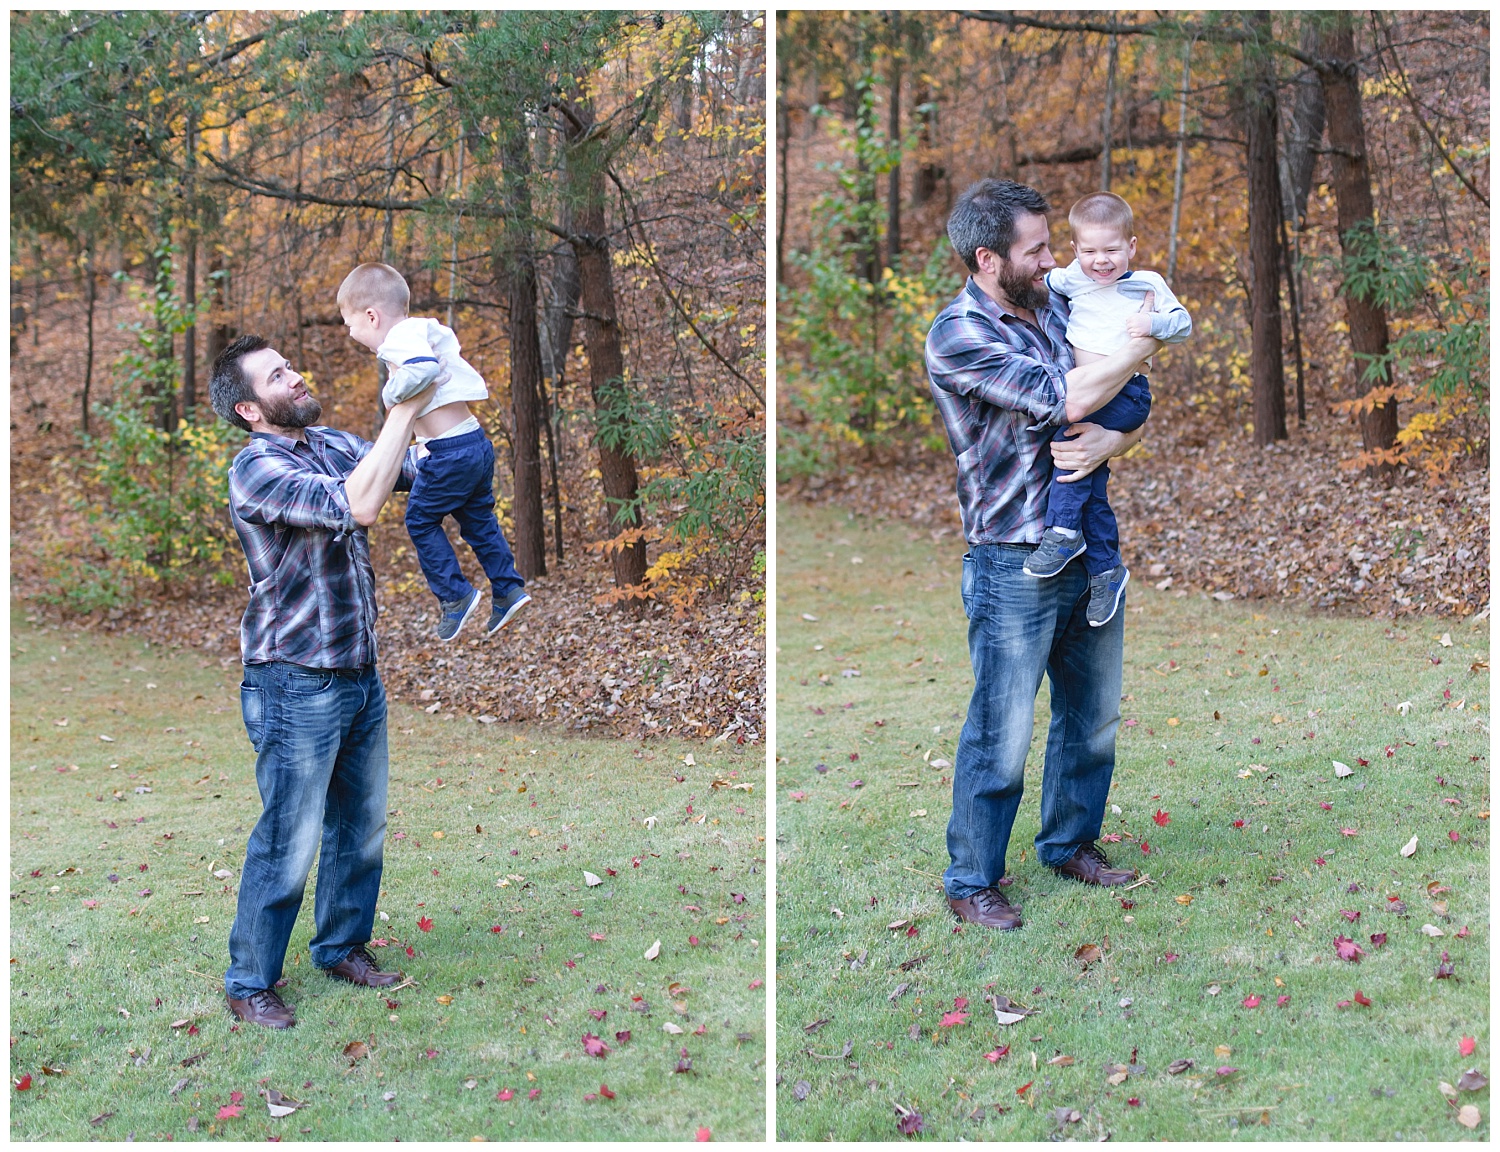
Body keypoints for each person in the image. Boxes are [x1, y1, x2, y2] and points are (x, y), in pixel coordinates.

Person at [925, 179, 1165, 931]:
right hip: (1010, 558)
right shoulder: (959, 334)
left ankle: (1070, 845)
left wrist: (1119, 436)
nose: (1053, 259)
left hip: (1087, 547)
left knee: (1092, 719)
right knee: (1003, 732)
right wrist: (1146, 338)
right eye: (1037, 249)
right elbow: (1068, 396)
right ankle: (971, 881)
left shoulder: (1060, 306)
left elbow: (1127, 401)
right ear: (989, 258)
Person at [209, 334, 429, 1028]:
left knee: (360, 826)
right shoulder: (256, 469)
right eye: (278, 375)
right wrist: (400, 410)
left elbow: (411, 470)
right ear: (249, 407)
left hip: (359, 673)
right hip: (293, 682)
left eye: (291, 365)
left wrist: (439, 405)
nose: (296, 375)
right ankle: (249, 984)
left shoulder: (331, 443)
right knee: (289, 836)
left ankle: (341, 947)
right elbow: (358, 505)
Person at [337, 262, 531, 642]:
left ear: (371, 316)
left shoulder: (400, 339)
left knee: (421, 521)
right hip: (472, 443)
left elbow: (423, 370)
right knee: (478, 522)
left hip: (450, 453)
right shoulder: (417, 331)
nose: (350, 332)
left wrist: (390, 395)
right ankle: (508, 589)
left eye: (350, 323)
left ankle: (456, 596)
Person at [1023, 191, 1192, 627]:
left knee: (1069, 441)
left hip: (1127, 395)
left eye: (1112, 250)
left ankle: (1061, 532)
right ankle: (1105, 569)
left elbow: (1183, 323)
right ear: (1076, 251)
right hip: (1093, 400)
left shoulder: (1146, 284)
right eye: (1091, 251)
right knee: (1092, 486)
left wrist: (1151, 327)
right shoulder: (1072, 280)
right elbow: (1039, 281)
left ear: (1131, 247)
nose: (1102, 261)